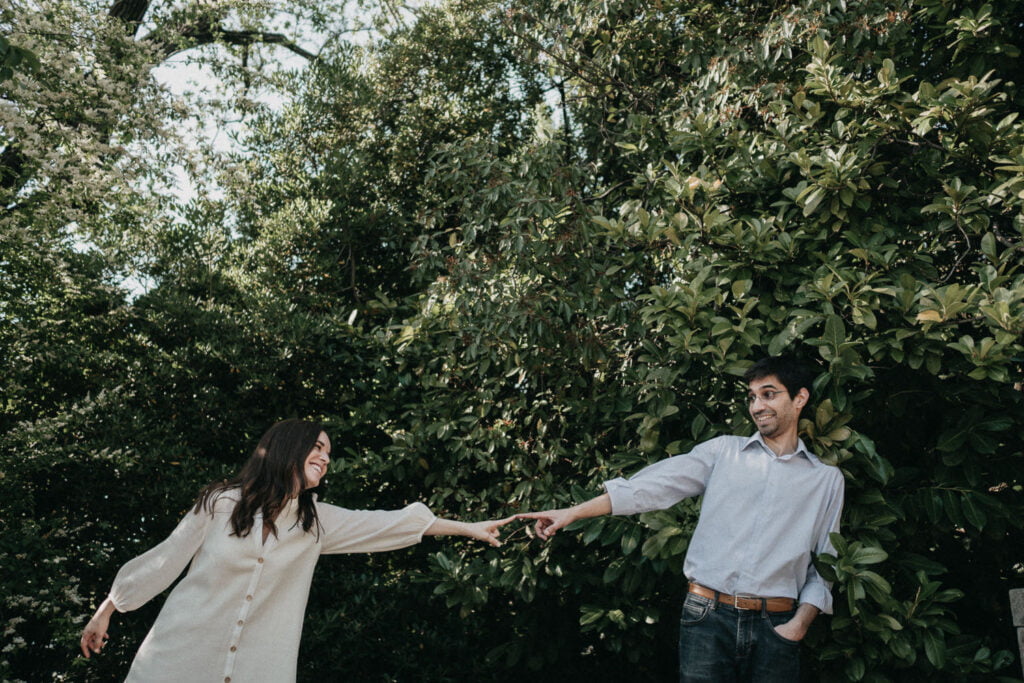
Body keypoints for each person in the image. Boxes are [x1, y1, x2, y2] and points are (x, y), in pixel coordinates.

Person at [80, 418, 512, 682]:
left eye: (329, 453)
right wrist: (109, 608)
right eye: (318, 448)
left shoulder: (316, 522)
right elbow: (165, 559)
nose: (326, 458)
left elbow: (388, 523)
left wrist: (469, 528)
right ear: (288, 447)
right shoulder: (220, 503)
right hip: (177, 663)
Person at [519, 356, 845, 682]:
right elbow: (650, 488)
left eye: (769, 394)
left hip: (777, 626)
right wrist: (572, 512)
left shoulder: (826, 480)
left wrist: (798, 625)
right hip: (707, 618)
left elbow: (826, 563)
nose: (757, 406)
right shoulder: (723, 452)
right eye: (752, 397)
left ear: (799, 398)